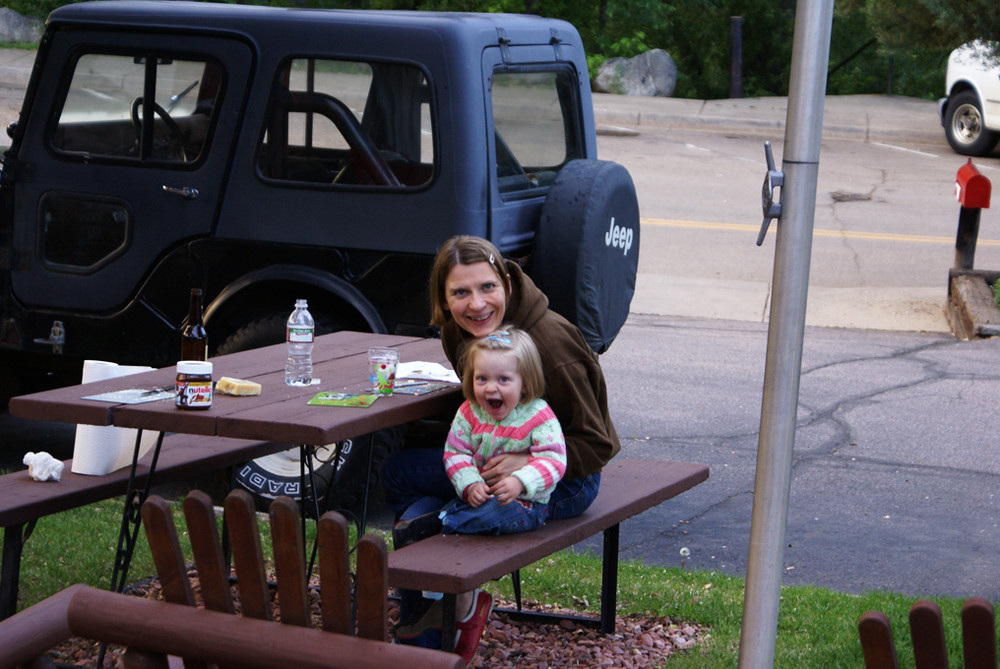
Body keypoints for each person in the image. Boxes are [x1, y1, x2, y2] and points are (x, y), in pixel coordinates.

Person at [382, 235, 621, 658]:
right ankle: (441, 612)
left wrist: (526, 461)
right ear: (444, 298)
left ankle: (429, 621)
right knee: (398, 472)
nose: (475, 304)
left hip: (566, 478)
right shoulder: (463, 333)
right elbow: (474, 415)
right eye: (460, 292)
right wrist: (470, 464)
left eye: (486, 287)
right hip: (488, 460)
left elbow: (597, 444)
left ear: (507, 283)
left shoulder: (550, 345)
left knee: (424, 522)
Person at [392, 326, 567, 544]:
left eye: (503, 379)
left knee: (496, 513)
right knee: (395, 471)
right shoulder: (470, 411)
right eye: (482, 379)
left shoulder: (539, 415)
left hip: (523, 503)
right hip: (477, 494)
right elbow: (456, 452)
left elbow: (554, 460)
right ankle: (445, 519)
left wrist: (520, 482)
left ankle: (439, 522)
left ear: (525, 383)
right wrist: (470, 483)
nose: (490, 388)